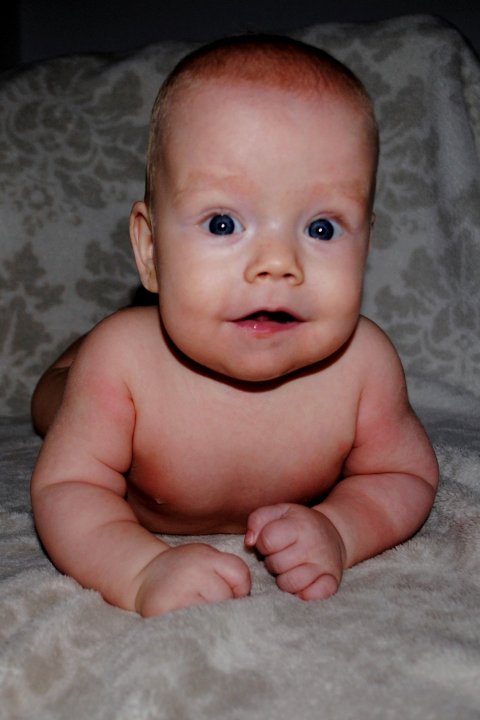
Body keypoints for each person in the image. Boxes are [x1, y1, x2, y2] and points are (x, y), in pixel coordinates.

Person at [30, 34, 439, 618]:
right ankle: (67, 365)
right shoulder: (122, 363)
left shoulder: (364, 366)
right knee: (57, 400)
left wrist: (340, 528)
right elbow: (68, 488)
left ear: (366, 245)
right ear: (150, 250)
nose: (277, 263)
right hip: (95, 379)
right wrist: (141, 570)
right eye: (223, 223)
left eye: (321, 229)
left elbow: (402, 474)